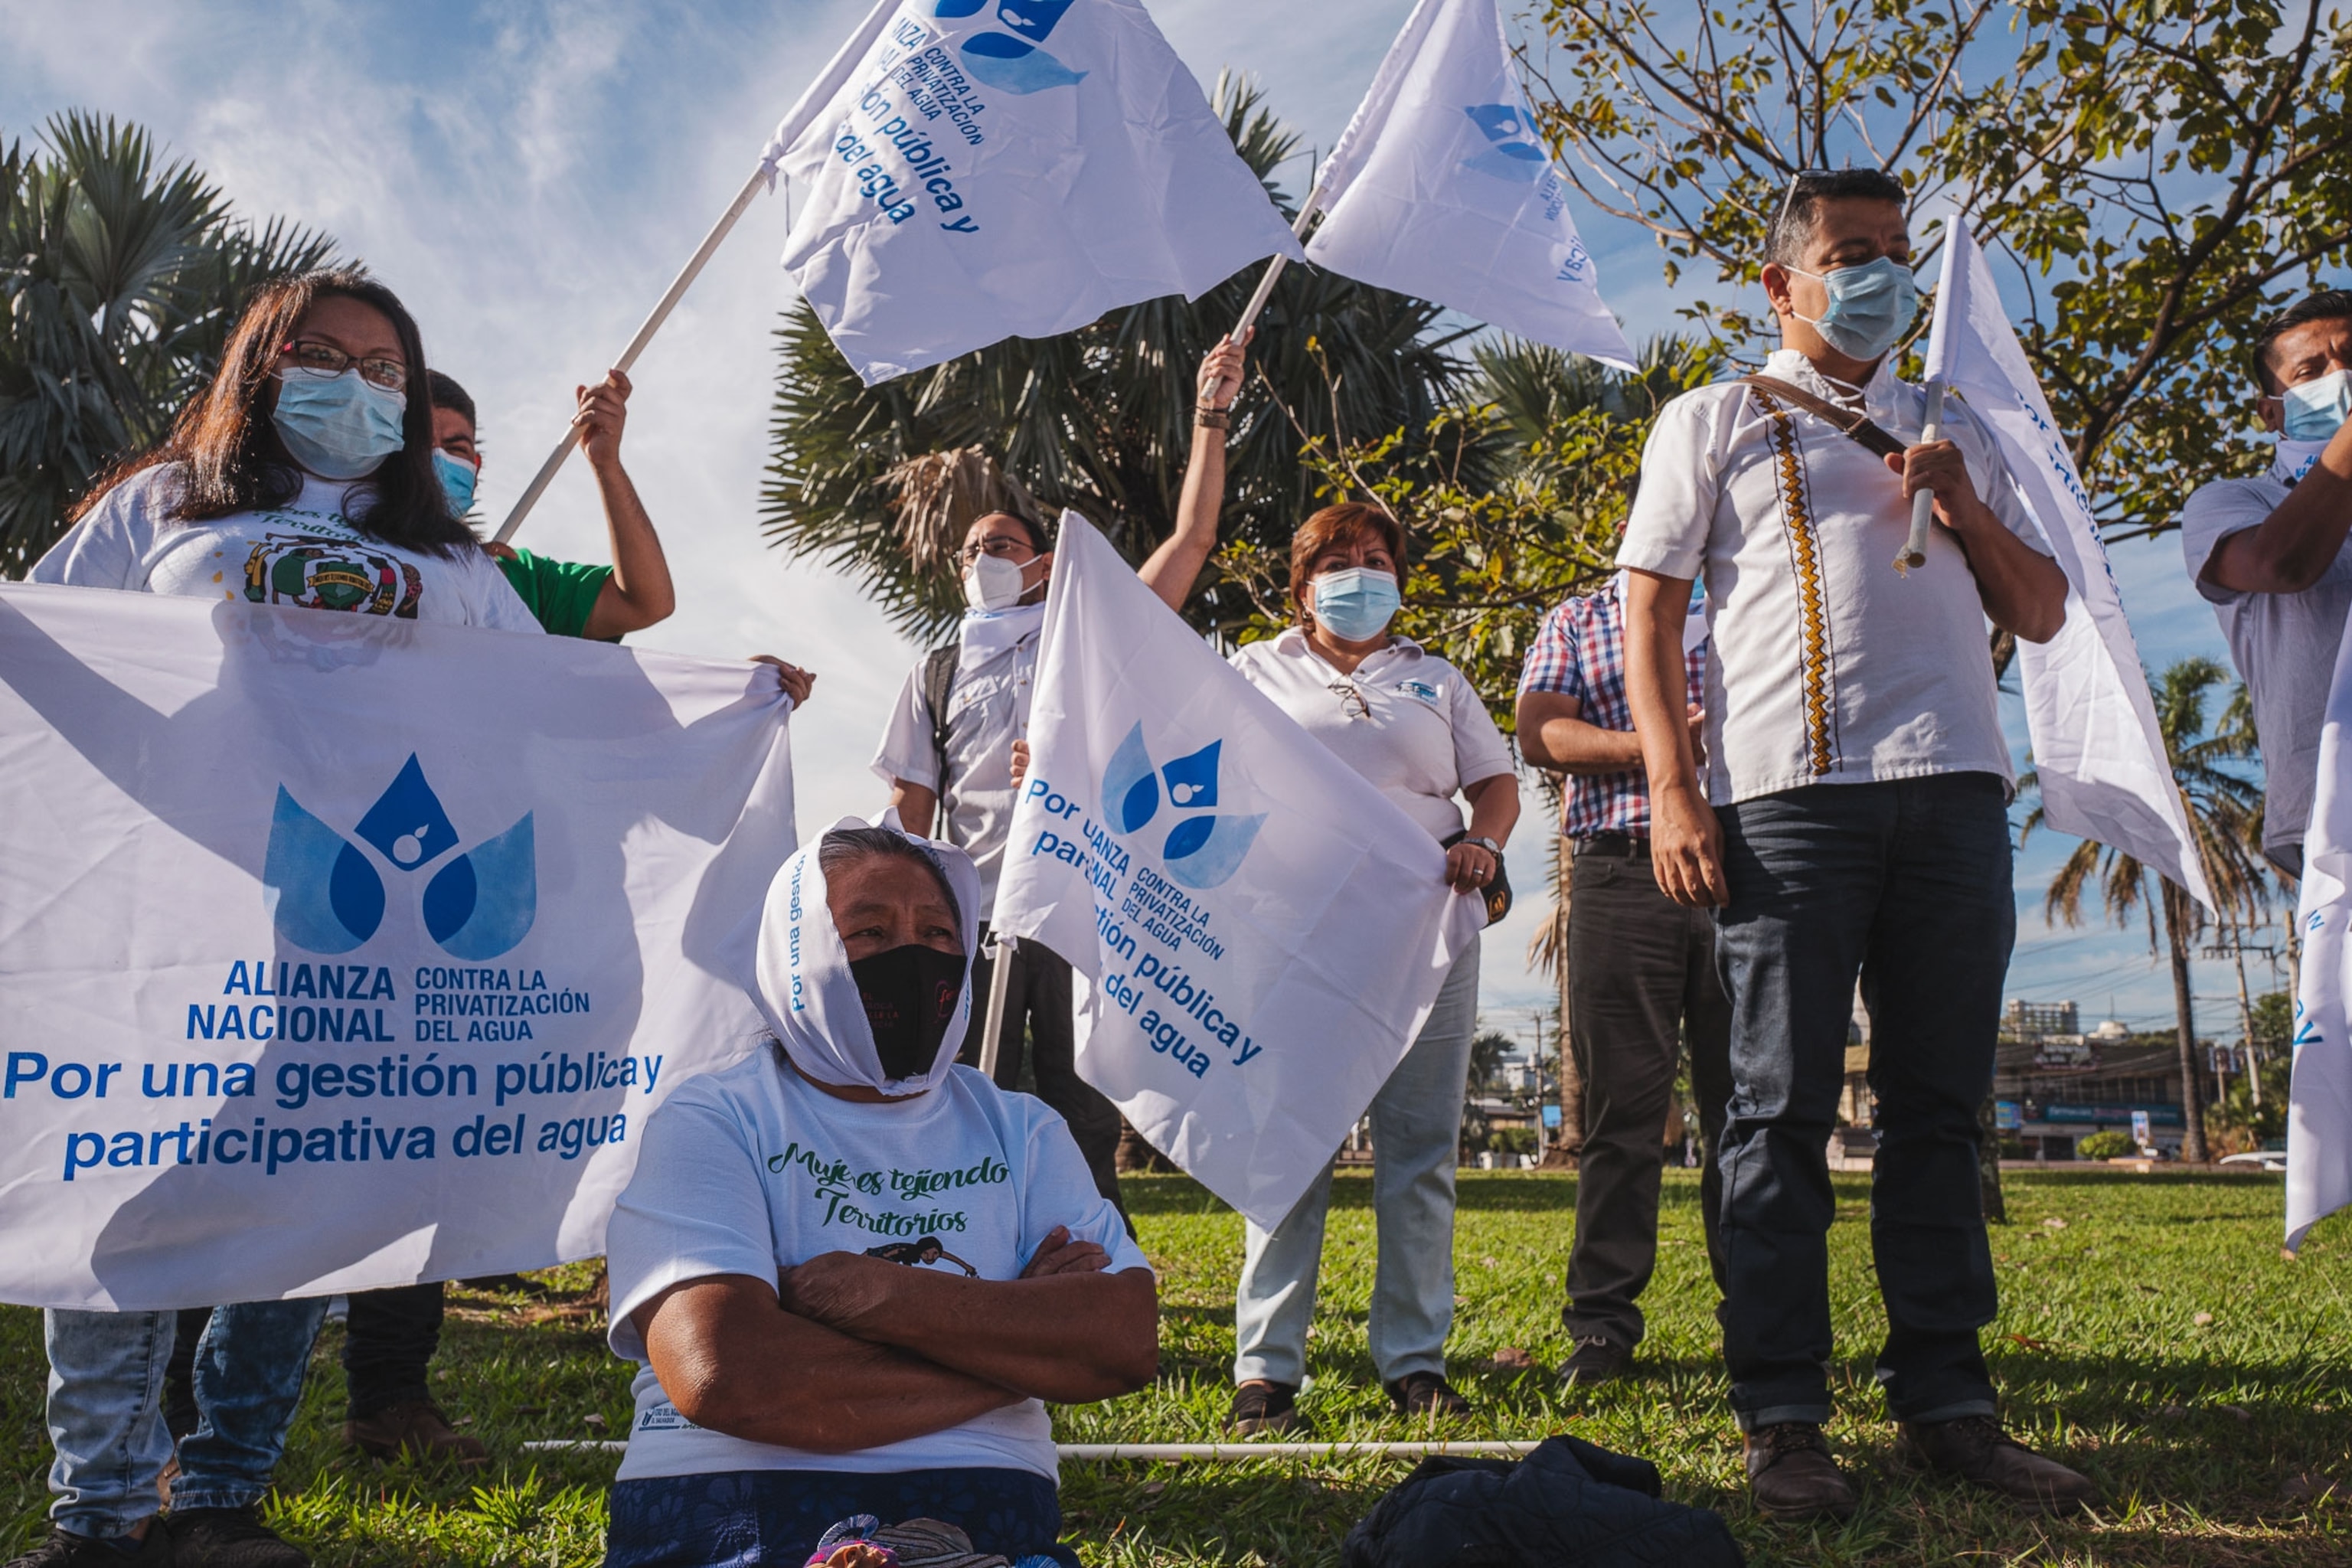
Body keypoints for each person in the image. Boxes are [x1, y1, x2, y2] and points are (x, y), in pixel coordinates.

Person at [22, 266, 537, 1568]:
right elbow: (43, 644)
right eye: (323, 353)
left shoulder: (454, 560)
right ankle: (99, 1510)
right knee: (119, 1193)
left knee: (295, 1203)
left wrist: (731, 698)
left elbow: (547, 702)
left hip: (360, 927)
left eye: (385, 368)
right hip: (168, 907)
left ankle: (221, 1495)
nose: (356, 384)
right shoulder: (161, 504)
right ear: (260, 362)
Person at [1611, 168, 2095, 1521]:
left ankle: (1948, 1402)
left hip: (1951, 796)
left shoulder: (1954, 423)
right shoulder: (1712, 419)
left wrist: (1960, 495)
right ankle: (1784, 1413)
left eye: (1892, 251)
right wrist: (1672, 785)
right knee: (1772, 1113)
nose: (1875, 273)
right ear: (1782, 282)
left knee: (1941, 1111)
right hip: (1785, 799)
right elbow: (1649, 616)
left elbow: (2042, 611)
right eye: (1847, 253)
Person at [1132, 331, 1520, 1433]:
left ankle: (1414, 1361)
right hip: (1288, 938)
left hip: (1426, 935)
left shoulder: (1436, 680)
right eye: (1339, 564)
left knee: (1418, 1154)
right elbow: (1174, 741)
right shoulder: (1253, 670)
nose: (1362, 579)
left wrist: (1482, 846)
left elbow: (1497, 788)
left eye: (1379, 564)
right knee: (1287, 1144)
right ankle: (1267, 1370)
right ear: (1301, 585)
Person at [600, 824, 1158, 1567]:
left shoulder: (1020, 1127)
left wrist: (881, 1293)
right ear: (796, 950)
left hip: (980, 1499)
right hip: (733, 1500)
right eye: (869, 930)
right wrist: (1017, 1337)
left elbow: (1121, 1340)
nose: (914, 953)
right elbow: (727, 1372)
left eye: (937, 929)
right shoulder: (714, 1117)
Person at [873, 511, 1126, 1210]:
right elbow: (912, 801)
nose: (984, 559)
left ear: (1041, 565)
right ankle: (977, 1238)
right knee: (971, 1087)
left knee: (1082, 1098)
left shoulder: (1082, 649)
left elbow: (1136, 745)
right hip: (973, 916)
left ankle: (1099, 1257)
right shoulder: (937, 671)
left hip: (1076, 908)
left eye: (1002, 547)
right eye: (972, 550)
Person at [1516, 573, 1732, 1385]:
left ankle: (1762, 1320)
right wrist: (1664, 744)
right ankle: (1602, 1329)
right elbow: (1541, 733)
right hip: (1618, 869)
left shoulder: (1758, 599)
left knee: (1748, 1112)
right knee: (1620, 1115)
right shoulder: (1578, 617)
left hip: (1747, 866)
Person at [2180, 289, 2352, 880]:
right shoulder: (2233, 502)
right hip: (2337, 816)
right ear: (2271, 412)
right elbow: (2284, 565)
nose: (2343, 375)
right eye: (2312, 370)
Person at [428, 368, 678, 640]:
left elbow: (647, 604)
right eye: (420, 444)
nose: (437, 459)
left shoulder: (516, 577)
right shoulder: (375, 570)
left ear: (475, 469)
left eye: (456, 449)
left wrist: (606, 463)